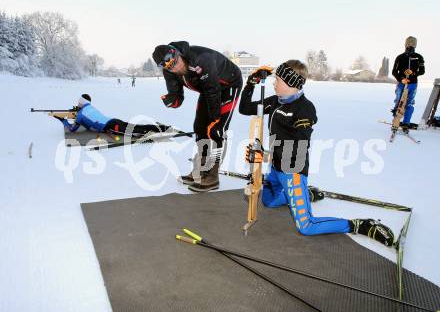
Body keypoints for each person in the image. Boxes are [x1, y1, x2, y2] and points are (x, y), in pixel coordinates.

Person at [239, 61, 394, 246]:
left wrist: (264, 155)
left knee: (306, 226)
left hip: (292, 170)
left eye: (278, 80)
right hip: (275, 167)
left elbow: (298, 146)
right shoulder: (274, 102)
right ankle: (306, 195)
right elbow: (244, 108)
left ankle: (358, 225)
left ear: (291, 83)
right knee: (268, 202)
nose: (274, 83)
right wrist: (250, 83)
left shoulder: (304, 109)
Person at [152, 41, 243, 192]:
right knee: (200, 128)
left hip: (228, 85)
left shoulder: (201, 58)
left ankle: (212, 176)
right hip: (206, 89)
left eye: (177, 62)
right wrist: (171, 101)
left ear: (178, 53)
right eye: (171, 67)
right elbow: (177, 97)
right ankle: (200, 170)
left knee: (216, 130)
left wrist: (215, 118)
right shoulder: (170, 72)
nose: (177, 67)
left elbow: (213, 90)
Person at [52, 94, 170, 136]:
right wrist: (75, 112)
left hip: (111, 127)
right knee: (137, 126)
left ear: (81, 104)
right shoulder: (90, 107)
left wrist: (63, 120)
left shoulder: (80, 115)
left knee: (135, 132)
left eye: (78, 103)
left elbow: (72, 130)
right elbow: (88, 122)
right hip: (114, 120)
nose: (77, 104)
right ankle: (164, 128)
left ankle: (154, 134)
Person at [391, 36, 425, 133]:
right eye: (409, 43)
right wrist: (401, 79)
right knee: (399, 102)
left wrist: (414, 73)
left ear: (415, 45)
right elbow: (394, 71)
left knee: (409, 104)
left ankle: (406, 123)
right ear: (405, 44)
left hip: (412, 85)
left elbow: (422, 71)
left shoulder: (419, 57)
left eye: (413, 43)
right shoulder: (400, 57)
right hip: (401, 84)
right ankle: (395, 122)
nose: (411, 45)